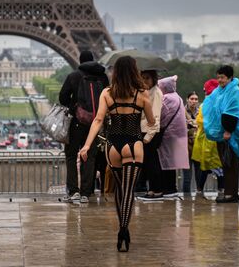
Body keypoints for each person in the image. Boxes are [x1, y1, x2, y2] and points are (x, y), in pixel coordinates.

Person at [79, 56, 156, 252]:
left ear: (115, 72)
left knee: (120, 190)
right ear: (134, 71)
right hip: (134, 143)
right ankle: (124, 230)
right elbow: (151, 120)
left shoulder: (107, 93)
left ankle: (121, 229)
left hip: (113, 145)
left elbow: (98, 120)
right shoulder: (142, 94)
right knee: (129, 191)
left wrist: (86, 146)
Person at [59, 50, 109, 203]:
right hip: (95, 123)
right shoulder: (102, 76)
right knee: (90, 157)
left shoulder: (74, 76)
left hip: (76, 122)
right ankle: (86, 193)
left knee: (71, 155)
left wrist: (74, 108)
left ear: (80, 61)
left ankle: (73, 191)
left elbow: (62, 98)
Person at [203, 65, 239, 204]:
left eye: (222, 77)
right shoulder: (221, 90)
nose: (220, 80)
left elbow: (232, 113)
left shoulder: (234, 91)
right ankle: (229, 192)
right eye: (218, 77)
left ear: (230, 77)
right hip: (222, 134)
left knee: (230, 164)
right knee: (226, 164)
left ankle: (230, 194)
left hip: (229, 134)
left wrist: (228, 130)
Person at [191, 79, 225, 199]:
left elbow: (200, 120)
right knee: (217, 167)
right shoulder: (219, 104)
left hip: (206, 141)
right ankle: (221, 189)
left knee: (205, 167)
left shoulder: (206, 105)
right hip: (214, 140)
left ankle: (200, 189)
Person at [157, 76, 189, 196]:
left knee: (166, 163)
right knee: (172, 163)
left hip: (168, 135)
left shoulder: (166, 98)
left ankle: (168, 188)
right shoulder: (177, 97)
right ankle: (171, 187)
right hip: (177, 135)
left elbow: (160, 115)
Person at [139, 70, 163, 198]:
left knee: (152, 163)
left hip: (150, 133)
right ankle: (152, 189)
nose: (144, 81)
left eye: (147, 78)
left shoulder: (156, 93)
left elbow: (156, 116)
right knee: (149, 163)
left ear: (153, 79)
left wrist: (148, 136)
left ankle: (156, 189)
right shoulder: (148, 92)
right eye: (142, 78)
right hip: (146, 131)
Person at [182, 92, 199, 194]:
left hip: (198, 146)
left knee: (199, 175)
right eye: (192, 99)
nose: (194, 101)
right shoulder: (181, 111)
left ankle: (200, 196)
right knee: (187, 177)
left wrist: (192, 123)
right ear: (187, 99)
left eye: (196, 99)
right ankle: (186, 198)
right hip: (186, 146)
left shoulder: (200, 111)